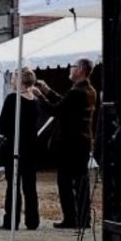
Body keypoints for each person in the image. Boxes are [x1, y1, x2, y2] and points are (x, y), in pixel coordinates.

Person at [33, 58, 97, 229]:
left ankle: (72, 218)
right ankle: (83, 218)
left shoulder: (78, 92)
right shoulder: (87, 90)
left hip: (71, 144)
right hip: (82, 143)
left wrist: (40, 97)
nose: (70, 69)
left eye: (73, 67)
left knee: (66, 182)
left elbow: (57, 110)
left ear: (81, 70)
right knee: (81, 181)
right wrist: (47, 91)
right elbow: (64, 103)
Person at [0, 68, 42, 230]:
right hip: (31, 147)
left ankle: (11, 220)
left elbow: (2, 125)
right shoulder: (35, 101)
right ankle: (32, 220)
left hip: (15, 146)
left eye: (13, 77)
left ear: (19, 80)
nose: (11, 81)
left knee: (13, 186)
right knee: (30, 186)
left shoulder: (12, 99)